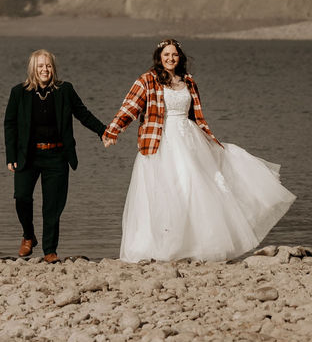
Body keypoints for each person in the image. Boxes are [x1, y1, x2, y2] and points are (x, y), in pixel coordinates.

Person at [102, 37, 294, 262]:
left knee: (193, 187)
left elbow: (197, 114)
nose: (170, 59)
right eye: (166, 55)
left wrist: (209, 139)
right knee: (164, 191)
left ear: (180, 58)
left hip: (189, 138)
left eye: (174, 55)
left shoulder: (189, 82)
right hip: (159, 140)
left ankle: (193, 247)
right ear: (159, 58)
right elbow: (130, 107)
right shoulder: (147, 80)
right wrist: (112, 132)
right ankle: (162, 248)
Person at [3, 48, 108, 261]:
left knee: (53, 205)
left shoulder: (65, 90)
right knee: (22, 197)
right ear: (33, 68)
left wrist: (104, 131)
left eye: (48, 65)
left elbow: (83, 114)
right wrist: (11, 155)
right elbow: (10, 124)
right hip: (28, 156)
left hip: (57, 155)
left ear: (53, 68)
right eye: (40, 66)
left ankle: (50, 250)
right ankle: (28, 236)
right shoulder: (19, 92)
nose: (45, 70)